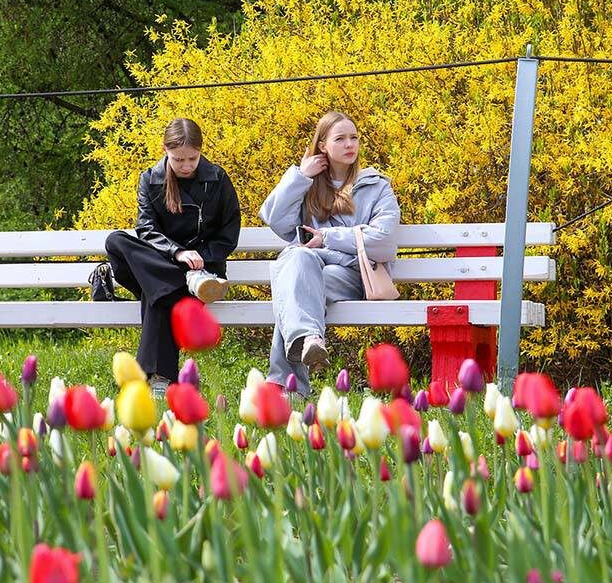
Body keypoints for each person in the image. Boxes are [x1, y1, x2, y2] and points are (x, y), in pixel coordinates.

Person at [90, 118, 241, 396]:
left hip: (203, 270)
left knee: (158, 295)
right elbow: (146, 229)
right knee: (115, 241)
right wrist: (177, 253)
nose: (186, 166)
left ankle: (158, 379)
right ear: (165, 150)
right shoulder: (150, 179)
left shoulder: (217, 179)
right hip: (161, 266)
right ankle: (179, 281)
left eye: (192, 159)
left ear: (200, 151)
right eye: (178, 159)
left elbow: (228, 234)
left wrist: (200, 258)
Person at [258, 111, 400, 397]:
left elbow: (383, 241)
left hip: (355, 274)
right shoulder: (309, 185)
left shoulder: (376, 186)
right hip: (314, 270)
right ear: (322, 145)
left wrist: (327, 238)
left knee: (293, 286)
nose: (350, 144)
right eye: (340, 139)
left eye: (354, 138)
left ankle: (286, 385)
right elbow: (275, 220)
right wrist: (299, 176)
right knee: (298, 260)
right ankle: (309, 338)